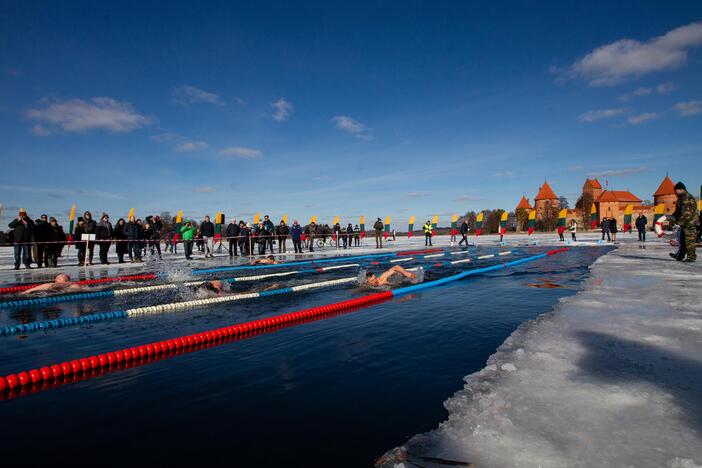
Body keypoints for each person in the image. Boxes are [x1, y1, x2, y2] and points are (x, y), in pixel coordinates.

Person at [672, 181, 698, 262]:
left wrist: (678, 222)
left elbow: (686, 213)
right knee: (682, 241)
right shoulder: (681, 198)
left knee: (689, 241)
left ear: (681, 189)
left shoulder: (687, 198)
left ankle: (691, 257)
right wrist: (671, 217)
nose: (675, 192)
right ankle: (680, 256)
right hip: (684, 224)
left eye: (676, 190)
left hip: (689, 223)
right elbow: (678, 211)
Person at [20, 274, 84, 295]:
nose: (55, 280)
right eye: (56, 279)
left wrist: (30, 290)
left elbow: (51, 285)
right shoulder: (69, 285)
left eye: (59, 278)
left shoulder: (69, 284)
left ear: (64, 280)